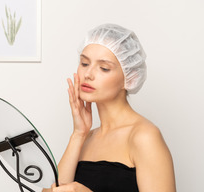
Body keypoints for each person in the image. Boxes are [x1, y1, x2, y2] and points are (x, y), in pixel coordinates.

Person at [43, 23, 176, 192]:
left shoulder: (144, 136)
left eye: (104, 68)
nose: (88, 74)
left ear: (130, 77)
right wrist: (78, 134)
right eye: (84, 63)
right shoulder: (86, 137)